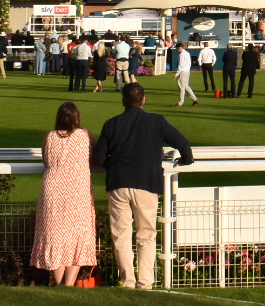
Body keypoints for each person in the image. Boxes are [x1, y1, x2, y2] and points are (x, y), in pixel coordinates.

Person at [90, 82, 194, 289]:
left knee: (121, 235)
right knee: (146, 234)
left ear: (123, 101)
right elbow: (183, 143)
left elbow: (99, 158)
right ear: (144, 100)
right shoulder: (156, 121)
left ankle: (128, 281)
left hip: (119, 183)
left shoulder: (112, 124)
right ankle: (145, 282)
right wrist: (187, 160)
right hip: (146, 183)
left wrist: (117, 165)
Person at [30, 101, 99, 286]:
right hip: (78, 190)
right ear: (76, 118)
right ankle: (68, 284)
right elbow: (97, 157)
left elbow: (46, 161)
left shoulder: (49, 137)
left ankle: (61, 283)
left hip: (53, 191)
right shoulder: (86, 135)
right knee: (77, 235)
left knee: (54, 236)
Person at [172, 40, 199, 107]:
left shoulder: (181, 55)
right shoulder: (187, 53)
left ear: (179, 48)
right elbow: (189, 63)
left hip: (183, 72)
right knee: (186, 87)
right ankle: (195, 99)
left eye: (177, 49)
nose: (177, 50)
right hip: (187, 71)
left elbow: (181, 65)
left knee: (181, 87)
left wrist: (177, 74)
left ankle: (180, 102)